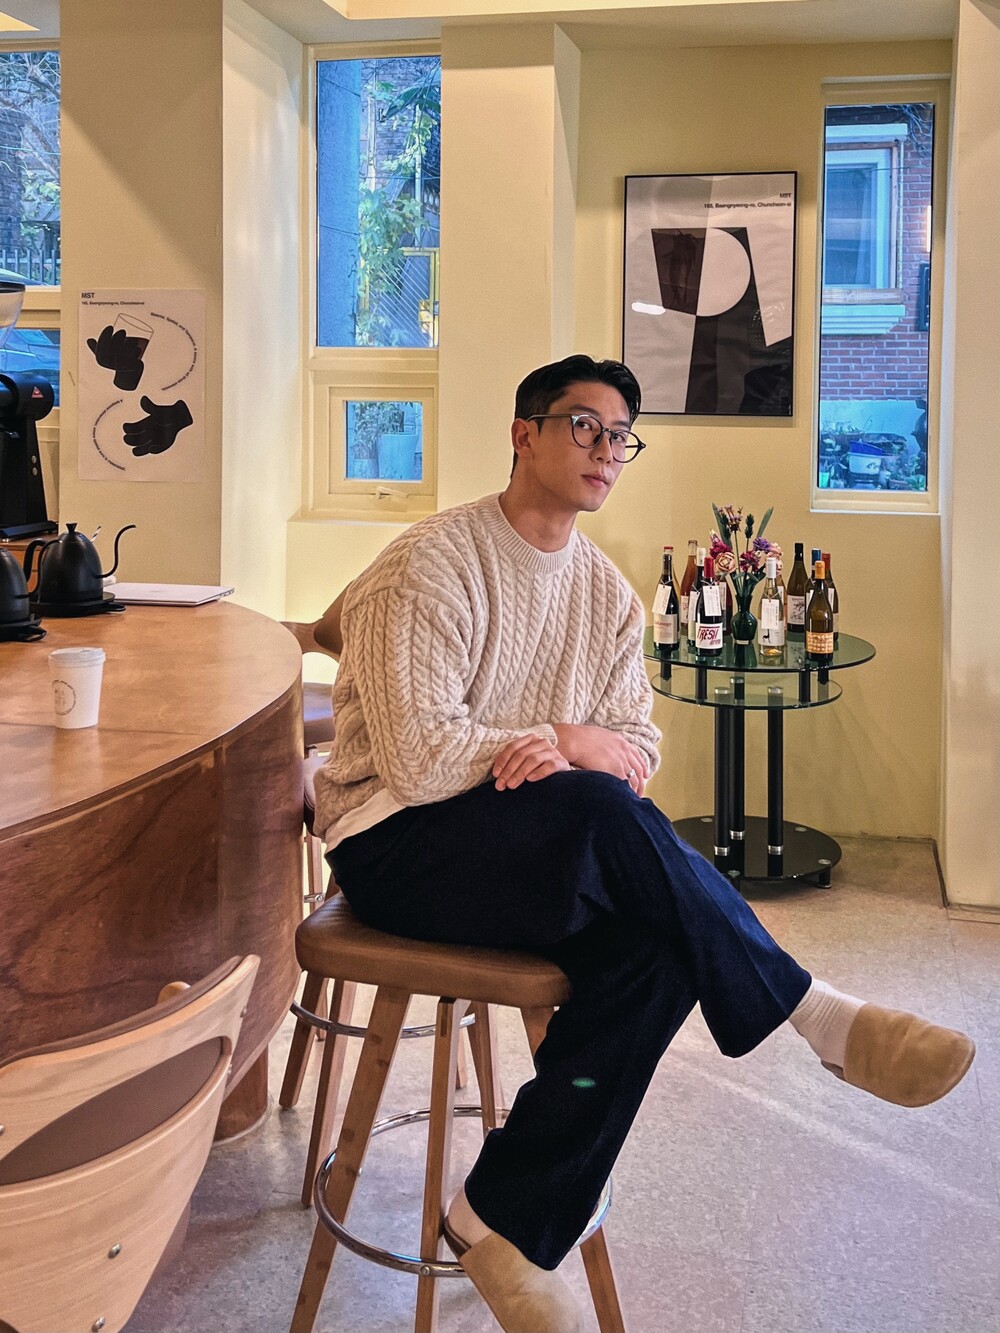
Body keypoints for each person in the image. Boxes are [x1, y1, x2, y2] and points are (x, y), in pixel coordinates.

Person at [312, 354, 974, 1333]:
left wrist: (576, 751)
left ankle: (499, 1221)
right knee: (595, 808)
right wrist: (564, 746)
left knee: (661, 946)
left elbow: (635, 749)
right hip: (395, 841)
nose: (606, 449)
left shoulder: (608, 596)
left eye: (621, 436)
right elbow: (416, 761)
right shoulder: (431, 563)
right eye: (584, 425)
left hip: (520, 845)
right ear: (523, 432)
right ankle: (817, 1014)